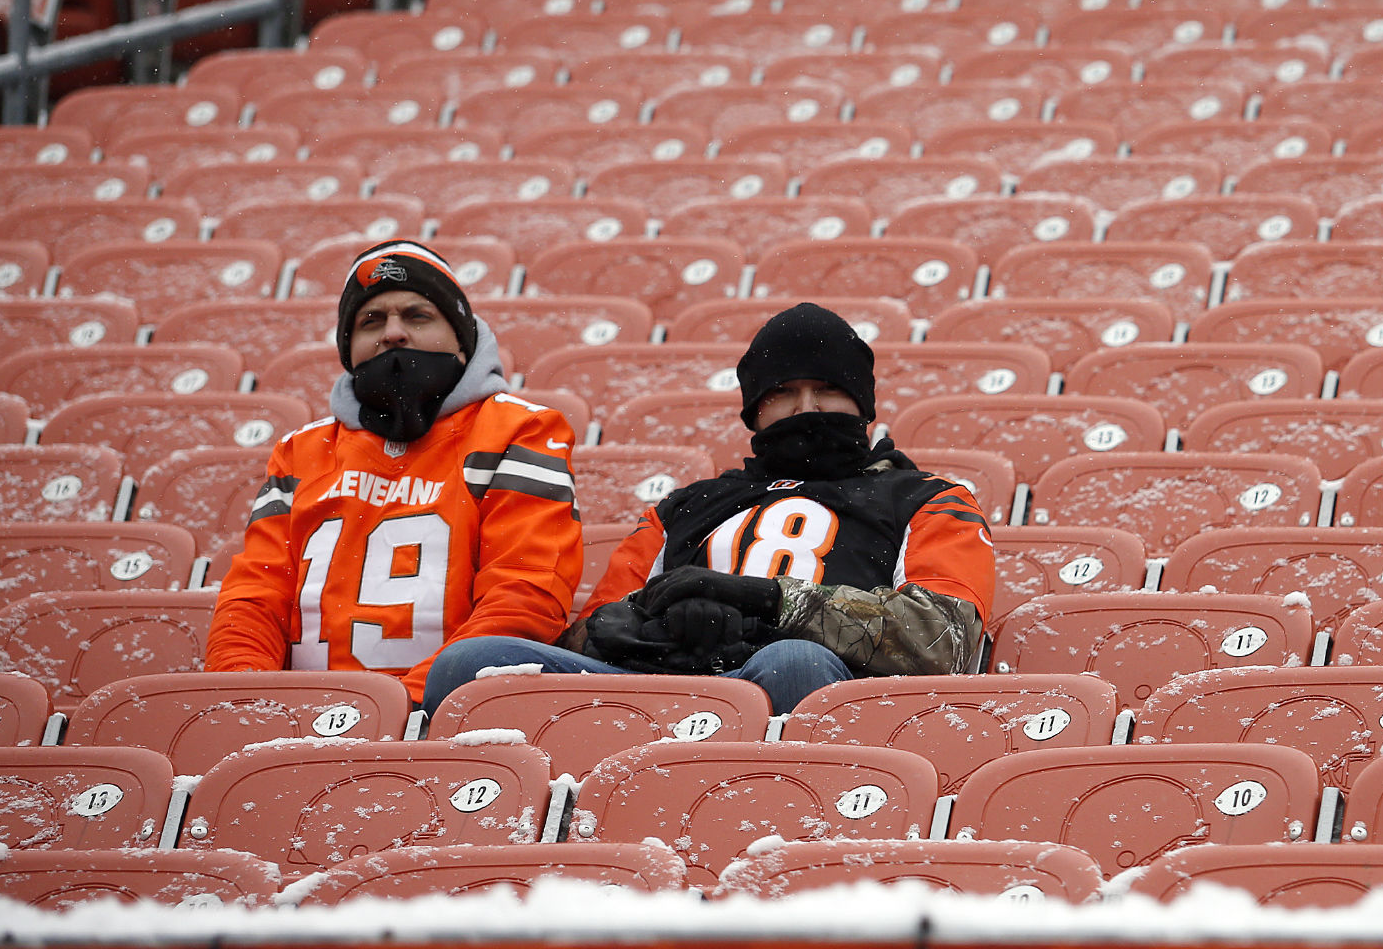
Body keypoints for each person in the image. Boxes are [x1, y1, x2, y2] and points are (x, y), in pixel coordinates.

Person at [421, 302, 995, 714]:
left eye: (826, 391)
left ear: (862, 404)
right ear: (754, 411)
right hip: (655, 686)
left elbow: (947, 640)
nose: (806, 409)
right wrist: (662, 625)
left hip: (805, 685)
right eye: (783, 395)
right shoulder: (684, 508)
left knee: (793, 663)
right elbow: (589, 633)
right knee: (471, 666)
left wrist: (769, 605)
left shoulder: (926, 498)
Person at [207, 240, 582, 704]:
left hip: (445, 717)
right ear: (348, 348)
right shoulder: (298, 452)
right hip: (294, 723)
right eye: (371, 321)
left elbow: (525, 595)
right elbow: (254, 600)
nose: (394, 333)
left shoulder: (519, 429)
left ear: (462, 339)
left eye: (418, 315)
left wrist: (399, 708)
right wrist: (243, 701)